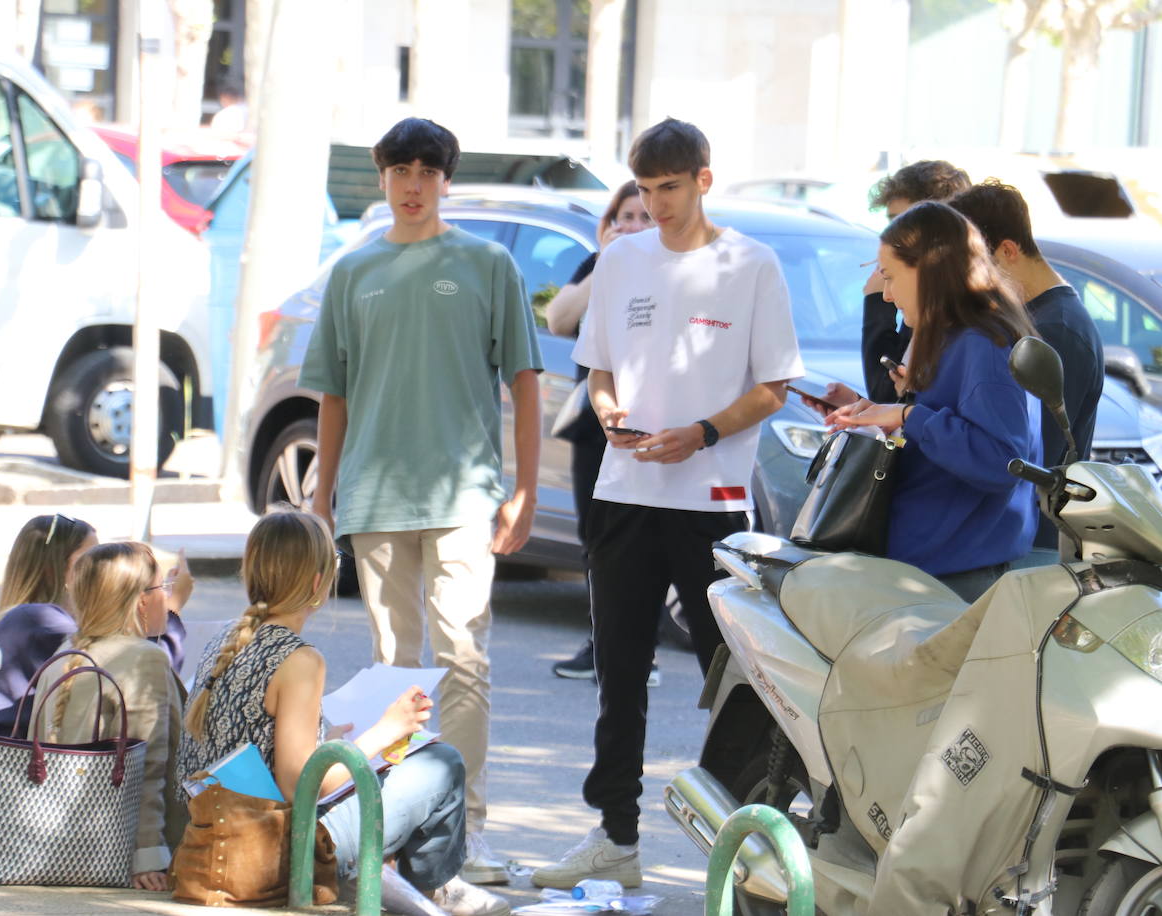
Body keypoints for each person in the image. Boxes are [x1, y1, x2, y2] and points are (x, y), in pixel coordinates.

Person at [532, 117, 803, 888]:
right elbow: (601, 369)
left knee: (737, 682)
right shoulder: (621, 260)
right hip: (623, 494)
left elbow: (774, 387)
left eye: (670, 188)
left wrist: (703, 432)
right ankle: (616, 838)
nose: (655, 205)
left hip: (712, 502)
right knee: (619, 676)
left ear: (704, 180)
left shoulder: (752, 264)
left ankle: (758, 849)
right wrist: (612, 412)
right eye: (646, 190)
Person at [300, 117, 543, 886]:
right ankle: (399, 828)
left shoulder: (487, 263)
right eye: (399, 169)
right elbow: (333, 394)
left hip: (465, 492)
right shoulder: (351, 271)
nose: (412, 183)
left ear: (446, 180)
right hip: (374, 494)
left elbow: (526, 381)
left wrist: (526, 488)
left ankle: (465, 833)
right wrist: (322, 490)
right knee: (393, 670)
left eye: (426, 170)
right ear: (382, 178)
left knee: (465, 659)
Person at [177, 508, 508, 916]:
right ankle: (434, 887)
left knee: (396, 760)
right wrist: (384, 732)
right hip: (275, 844)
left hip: (210, 829)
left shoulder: (228, 637)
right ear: (318, 583)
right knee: (442, 762)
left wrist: (333, 745)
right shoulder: (298, 660)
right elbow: (298, 787)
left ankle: (415, 886)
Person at [829, 201, 1041, 602]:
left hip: (954, 577)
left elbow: (1003, 461)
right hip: (931, 567)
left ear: (928, 270)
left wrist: (908, 415)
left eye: (890, 278)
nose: (887, 295)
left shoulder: (983, 342)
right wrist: (876, 413)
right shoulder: (959, 336)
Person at [948, 179, 1104, 551]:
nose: (964, 280)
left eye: (970, 263)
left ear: (1007, 251)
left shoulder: (1056, 330)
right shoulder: (1036, 320)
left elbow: (1027, 460)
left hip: (1030, 546)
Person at [544, 181, 658, 685]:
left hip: (651, 423)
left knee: (644, 542)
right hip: (595, 426)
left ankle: (640, 651)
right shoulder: (598, 266)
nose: (631, 227)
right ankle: (602, 644)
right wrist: (605, 261)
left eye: (642, 217)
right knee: (596, 538)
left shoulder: (669, 270)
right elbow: (558, 319)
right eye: (622, 218)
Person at [30, 541, 187, 891]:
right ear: (143, 601)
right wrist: (148, 855)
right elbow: (149, 763)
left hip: (58, 836)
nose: (168, 596)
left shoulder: (67, 651)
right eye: (163, 588)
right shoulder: (145, 658)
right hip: (115, 845)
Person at [0, 514, 192, 737]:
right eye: (88, 558)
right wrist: (168, 612)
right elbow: (141, 683)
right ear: (54, 569)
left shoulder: (18, 618)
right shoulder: (42, 623)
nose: (101, 567)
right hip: (33, 767)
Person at [858, 160, 972, 404]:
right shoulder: (920, 298)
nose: (891, 236)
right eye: (891, 222)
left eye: (904, 222)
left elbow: (891, 398)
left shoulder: (967, 316)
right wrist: (858, 407)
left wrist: (878, 302)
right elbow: (893, 397)